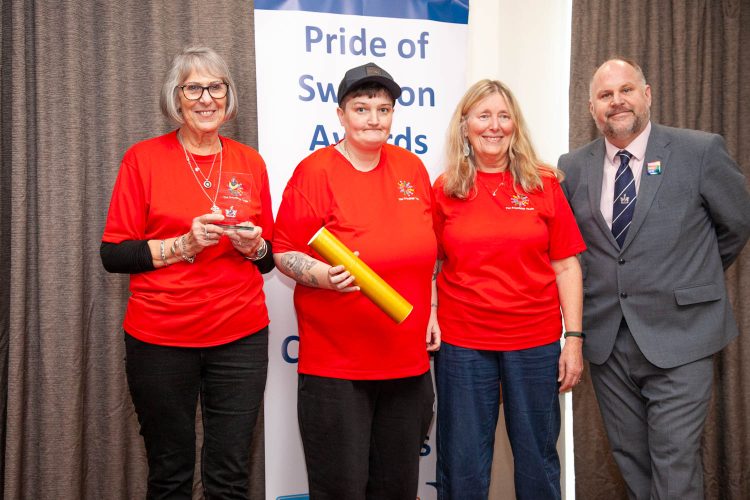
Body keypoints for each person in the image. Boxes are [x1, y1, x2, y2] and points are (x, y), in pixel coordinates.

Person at [558, 58, 750, 499]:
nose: (617, 101)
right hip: (608, 341)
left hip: (682, 334)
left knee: (674, 461)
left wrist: (690, 275)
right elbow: (573, 250)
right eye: (605, 95)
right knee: (633, 461)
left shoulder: (700, 151)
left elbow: (736, 226)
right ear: (591, 108)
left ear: (647, 95)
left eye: (626, 90)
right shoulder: (574, 166)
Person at [100, 46, 274, 499]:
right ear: (175, 97)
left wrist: (254, 247)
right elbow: (114, 254)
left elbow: (269, 257)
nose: (206, 98)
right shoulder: (143, 159)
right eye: (193, 88)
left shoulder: (250, 162)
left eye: (216, 87)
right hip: (161, 338)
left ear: (228, 95)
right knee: (170, 474)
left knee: (230, 476)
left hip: (240, 336)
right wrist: (184, 245)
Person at [272, 62, 438, 500]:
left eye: (383, 109)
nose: (373, 119)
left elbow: (427, 252)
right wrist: (323, 276)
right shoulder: (314, 172)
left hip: (406, 366)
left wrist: (433, 308)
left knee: (397, 489)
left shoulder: (412, 168)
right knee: (340, 490)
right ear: (341, 115)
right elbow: (282, 251)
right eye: (361, 108)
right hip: (337, 370)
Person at [432, 79, 587, 500]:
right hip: (463, 344)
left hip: (534, 343)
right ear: (465, 125)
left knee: (538, 462)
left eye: (504, 116)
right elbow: (430, 262)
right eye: (484, 116)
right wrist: (431, 314)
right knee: (462, 464)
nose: (494, 126)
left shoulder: (544, 184)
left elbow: (566, 266)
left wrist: (573, 339)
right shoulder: (445, 188)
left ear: (515, 125)